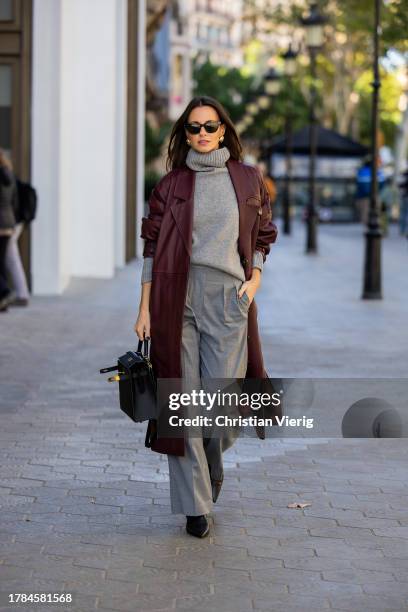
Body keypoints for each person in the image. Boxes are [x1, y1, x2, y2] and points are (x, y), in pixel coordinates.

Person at [134, 96, 278, 539]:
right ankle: (196, 508)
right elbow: (153, 247)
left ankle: (212, 462)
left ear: (223, 130)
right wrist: (144, 308)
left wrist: (254, 279)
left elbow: (264, 234)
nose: (201, 135)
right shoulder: (171, 184)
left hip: (228, 296)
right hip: (176, 295)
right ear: (185, 134)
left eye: (209, 127)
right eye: (193, 128)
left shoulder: (247, 177)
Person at [0, 150, 18, 312]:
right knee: (2, 262)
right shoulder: (10, 176)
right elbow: (15, 201)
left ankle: (5, 291)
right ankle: (3, 301)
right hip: (9, 224)